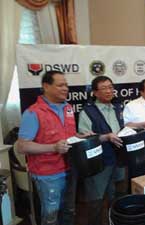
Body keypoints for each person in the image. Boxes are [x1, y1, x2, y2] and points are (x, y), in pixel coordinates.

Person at [16, 70, 88, 225]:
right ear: (46, 86)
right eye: (60, 85)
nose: (65, 88)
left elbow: (67, 137)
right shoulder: (33, 113)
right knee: (51, 215)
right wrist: (53, 147)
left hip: (70, 168)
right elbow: (22, 146)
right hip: (48, 175)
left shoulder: (68, 107)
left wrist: (81, 137)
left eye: (66, 85)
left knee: (69, 211)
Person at [78, 75, 124, 225]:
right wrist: (107, 137)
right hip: (99, 163)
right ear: (95, 93)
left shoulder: (117, 107)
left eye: (111, 87)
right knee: (95, 200)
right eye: (104, 88)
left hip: (118, 160)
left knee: (116, 196)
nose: (109, 91)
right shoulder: (88, 111)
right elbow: (85, 139)